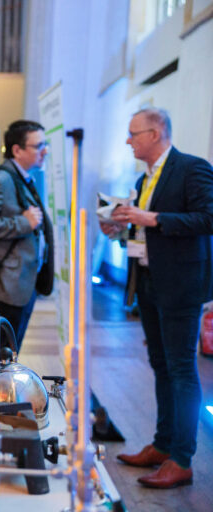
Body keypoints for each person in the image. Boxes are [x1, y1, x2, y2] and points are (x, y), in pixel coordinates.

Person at [101, 107, 213, 488]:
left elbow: (208, 218)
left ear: (156, 133)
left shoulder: (191, 168)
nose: (128, 141)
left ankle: (181, 459)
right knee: (162, 364)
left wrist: (153, 218)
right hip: (148, 280)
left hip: (181, 283)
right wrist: (118, 227)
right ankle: (163, 444)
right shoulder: (143, 176)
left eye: (134, 134)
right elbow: (143, 231)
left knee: (181, 369)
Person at [0, 120, 54, 350]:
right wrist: (22, 223)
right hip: (4, 285)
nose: (45, 151)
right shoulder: (1, 180)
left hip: (23, 284)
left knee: (10, 351)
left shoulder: (24, 177)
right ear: (17, 150)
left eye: (45, 144)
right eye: (38, 146)